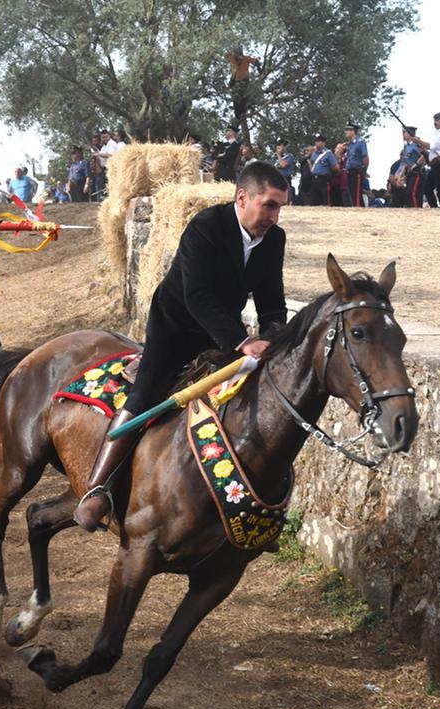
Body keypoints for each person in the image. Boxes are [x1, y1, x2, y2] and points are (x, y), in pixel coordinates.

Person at [72, 161, 289, 531]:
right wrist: (242, 341)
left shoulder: (275, 239)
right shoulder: (205, 227)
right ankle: (97, 490)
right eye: (269, 205)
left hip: (222, 335)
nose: (274, 215)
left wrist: (274, 336)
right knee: (145, 395)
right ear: (242, 198)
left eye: (280, 207)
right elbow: (197, 295)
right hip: (175, 329)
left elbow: (272, 300)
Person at [410, 113, 440, 207]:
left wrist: (418, 141)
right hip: (435, 163)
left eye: (437, 120)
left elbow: (432, 146)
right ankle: (435, 207)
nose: (435, 123)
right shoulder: (437, 133)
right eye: (434, 120)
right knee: (428, 188)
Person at [308, 135, 338, 206]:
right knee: (313, 201)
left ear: (323, 143)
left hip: (324, 179)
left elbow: (335, 166)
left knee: (325, 200)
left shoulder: (328, 153)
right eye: (316, 141)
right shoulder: (314, 154)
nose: (316, 143)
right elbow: (313, 164)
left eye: (318, 141)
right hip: (314, 179)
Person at [343, 123, 368, 207]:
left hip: (357, 171)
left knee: (356, 195)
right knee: (352, 194)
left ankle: (357, 210)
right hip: (349, 171)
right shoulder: (349, 144)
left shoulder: (360, 142)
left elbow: (365, 158)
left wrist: (364, 170)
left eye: (347, 130)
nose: (346, 132)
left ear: (353, 131)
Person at [273, 139, 295, 204]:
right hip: (276, 179)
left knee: (285, 197)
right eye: (278, 146)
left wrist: (278, 155)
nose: (279, 148)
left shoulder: (289, 156)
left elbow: (283, 165)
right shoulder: (274, 157)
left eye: (281, 146)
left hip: (285, 178)